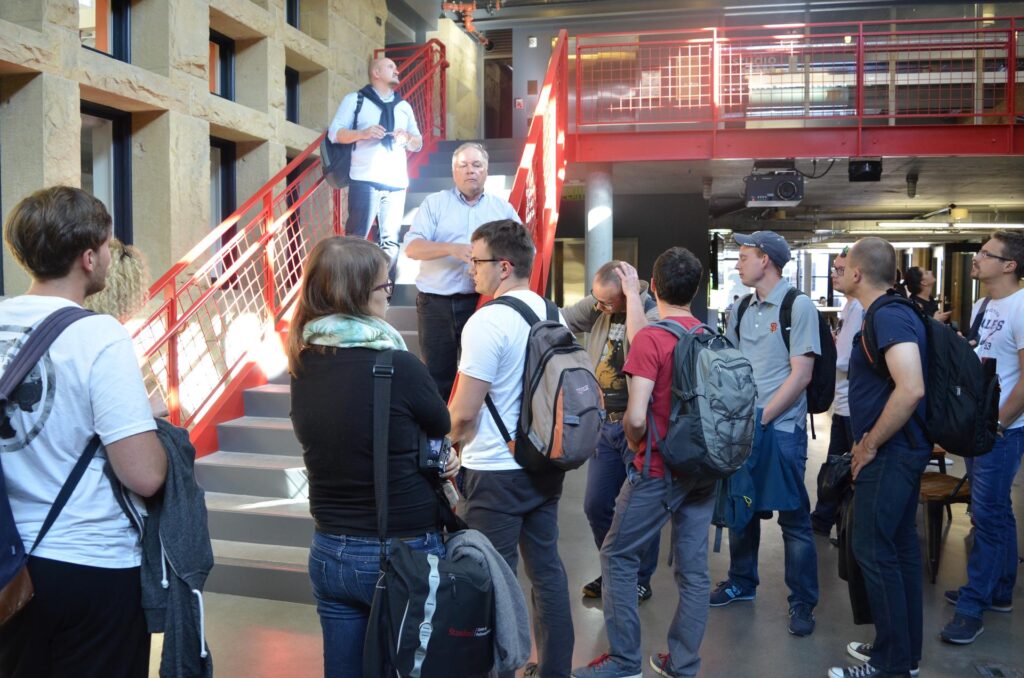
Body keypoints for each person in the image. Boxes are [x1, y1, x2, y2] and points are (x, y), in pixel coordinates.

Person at [0, 186, 167, 678]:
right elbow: (144, 475)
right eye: (107, 247)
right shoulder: (99, 335)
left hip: (7, 565)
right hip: (89, 563)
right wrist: (152, 423)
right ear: (88, 258)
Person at [287, 236, 459, 678]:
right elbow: (440, 422)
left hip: (330, 549)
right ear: (358, 292)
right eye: (386, 285)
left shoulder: (303, 364)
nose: (389, 293)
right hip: (401, 549)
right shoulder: (399, 366)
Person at [572, 247, 717, 678]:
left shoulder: (651, 337)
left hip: (658, 467)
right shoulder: (707, 335)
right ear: (695, 289)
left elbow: (636, 417)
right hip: (704, 469)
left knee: (617, 556)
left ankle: (624, 661)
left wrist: (637, 443)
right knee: (693, 571)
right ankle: (684, 663)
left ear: (652, 286)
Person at [449, 219, 573, 678]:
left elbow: (464, 412)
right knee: (547, 572)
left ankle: (498, 671)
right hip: (544, 463)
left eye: (476, 261)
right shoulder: (553, 313)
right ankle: (555, 669)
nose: (470, 270)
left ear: (503, 266)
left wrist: (443, 444)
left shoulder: (487, 322)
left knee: (490, 583)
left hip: (494, 472)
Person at [712, 230, 820, 638]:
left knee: (794, 518)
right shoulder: (742, 306)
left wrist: (764, 417)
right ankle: (742, 581)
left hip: (782, 428)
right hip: (745, 425)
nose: (738, 263)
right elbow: (732, 364)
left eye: (744, 256)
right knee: (742, 505)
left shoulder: (797, 306)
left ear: (766, 261)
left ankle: (802, 601)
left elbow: (802, 374)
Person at [830, 237, 929, 678]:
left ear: (857, 273)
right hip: (896, 450)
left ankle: (890, 665)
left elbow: (911, 388)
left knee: (872, 549)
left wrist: (868, 444)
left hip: (890, 453)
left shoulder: (888, 315)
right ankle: (902, 653)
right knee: (898, 547)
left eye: (843, 266)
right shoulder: (887, 312)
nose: (839, 272)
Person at [939, 230, 1024, 644]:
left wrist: (999, 425)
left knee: (986, 516)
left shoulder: (1022, 306)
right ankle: (1000, 590)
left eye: (986, 254)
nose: (977, 258)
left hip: (1002, 431)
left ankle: (973, 606)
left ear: (1009, 265)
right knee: (996, 511)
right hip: (979, 428)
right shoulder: (983, 304)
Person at [560, 260, 661, 603]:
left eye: (607, 302)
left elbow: (643, 344)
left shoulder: (652, 311)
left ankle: (639, 577)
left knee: (639, 510)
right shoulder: (601, 307)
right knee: (597, 504)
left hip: (638, 425)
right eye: (597, 300)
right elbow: (562, 318)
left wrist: (631, 299)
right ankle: (616, 569)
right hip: (605, 425)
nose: (600, 308)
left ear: (627, 293)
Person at [405, 142, 521, 400]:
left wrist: (488, 264)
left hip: (482, 303)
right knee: (436, 380)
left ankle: (473, 424)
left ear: (486, 170)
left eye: (477, 165)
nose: (470, 170)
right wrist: (451, 249)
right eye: (463, 165)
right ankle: (441, 427)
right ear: (454, 171)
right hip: (435, 305)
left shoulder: (502, 209)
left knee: (483, 374)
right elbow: (411, 248)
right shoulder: (434, 204)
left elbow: (523, 252)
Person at [328, 56, 422, 272]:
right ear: (376, 72)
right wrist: (363, 133)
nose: (397, 70)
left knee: (391, 242)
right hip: (364, 179)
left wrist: (407, 138)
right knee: (356, 239)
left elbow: (418, 143)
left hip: (396, 183)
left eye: (396, 67)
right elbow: (334, 133)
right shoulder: (355, 100)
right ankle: (354, 287)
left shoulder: (404, 106)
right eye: (391, 66)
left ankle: (383, 287)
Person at [811, 247, 864, 537]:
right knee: (834, 466)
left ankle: (839, 525)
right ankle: (824, 519)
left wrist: (827, 353)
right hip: (843, 403)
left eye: (840, 270)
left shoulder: (861, 309)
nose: (834, 275)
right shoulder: (849, 307)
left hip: (855, 407)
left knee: (847, 469)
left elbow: (845, 359)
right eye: (833, 269)